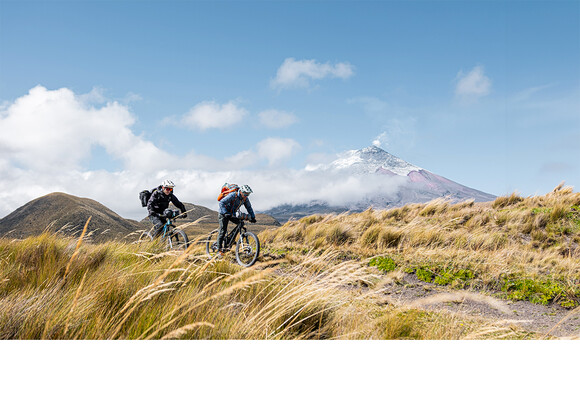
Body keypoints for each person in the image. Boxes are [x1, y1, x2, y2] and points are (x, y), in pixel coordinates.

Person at [217, 184, 256, 254]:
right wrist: (225, 212)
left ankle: (230, 240)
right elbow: (221, 203)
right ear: (241, 192)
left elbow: (249, 208)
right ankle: (219, 250)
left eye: (248, 194)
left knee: (241, 224)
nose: (246, 195)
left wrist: (253, 217)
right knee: (223, 230)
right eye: (245, 193)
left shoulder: (245, 199)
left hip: (231, 214)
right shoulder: (233, 195)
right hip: (223, 213)